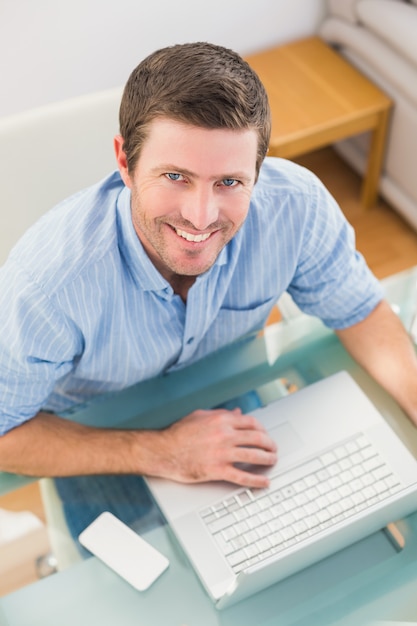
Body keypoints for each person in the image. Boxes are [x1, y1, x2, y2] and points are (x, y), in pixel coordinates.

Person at [1, 42, 417, 545]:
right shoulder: (46, 284)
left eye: (229, 181)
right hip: (96, 437)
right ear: (125, 163)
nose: (201, 217)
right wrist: (159, 451)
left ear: (258, 172)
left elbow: (360, 309)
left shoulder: (296, 207)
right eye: (175, 176)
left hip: (229, 399)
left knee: (335, 551)